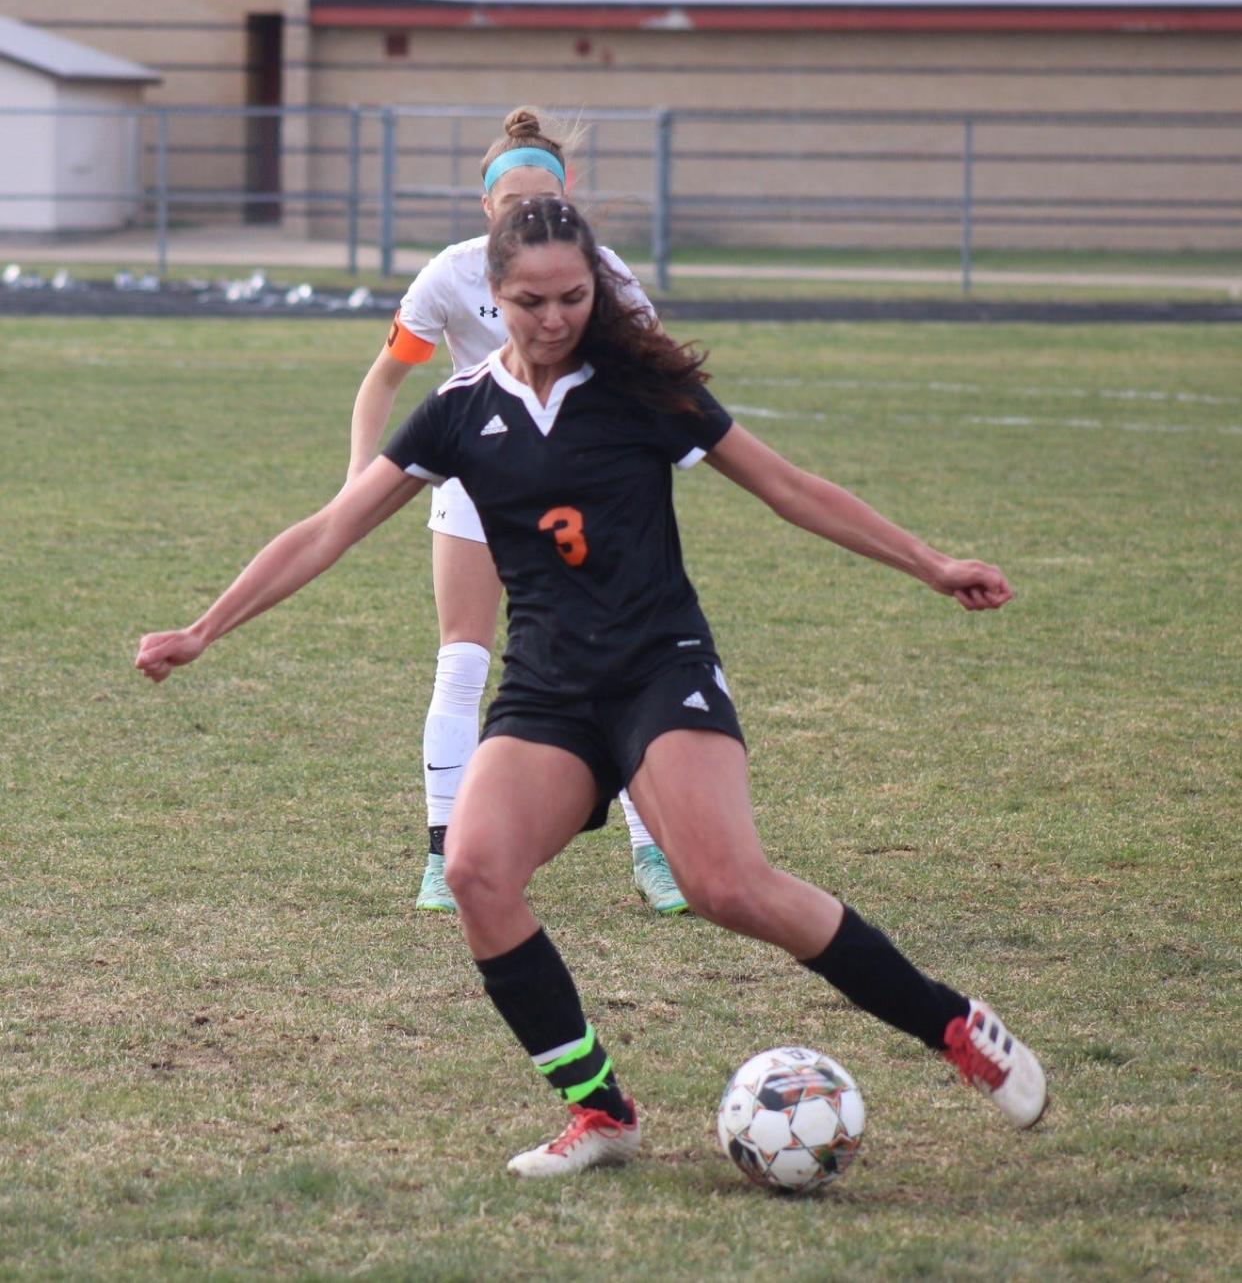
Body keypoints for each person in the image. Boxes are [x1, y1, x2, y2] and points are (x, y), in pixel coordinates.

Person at [137, 196, 1048, 1180]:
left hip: (660, 668)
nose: (555, 316)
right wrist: (202, 629)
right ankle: (600, 1109)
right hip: (549, 692)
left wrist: (928, 562)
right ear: (494, 296)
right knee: (475, 871)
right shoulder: (460, 414)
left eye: (574, 296)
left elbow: (788, 486)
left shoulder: (637, 389)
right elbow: (328, 529)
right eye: (531, 300)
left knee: (725, 884)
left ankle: (954, 1024)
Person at [346, 106, 686, 916]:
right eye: (515, 205)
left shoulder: (598, 272)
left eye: (549, 205)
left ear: (570, 209)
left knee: (613, 658)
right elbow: (384, 378)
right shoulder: (450, 275)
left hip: (577, 492)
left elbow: (661, 369)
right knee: (462, 661)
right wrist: (359, 480)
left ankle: (652, 852)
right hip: (478, 480)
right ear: (487, 210)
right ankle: (441, 853)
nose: (533, 218)